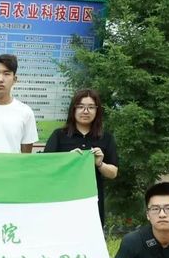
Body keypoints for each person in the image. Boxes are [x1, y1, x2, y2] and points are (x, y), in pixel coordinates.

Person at [43, 89, 118, 227]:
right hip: (62, 199)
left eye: (91, 107)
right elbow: (46, 167)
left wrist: (100, 164)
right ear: (73, 109)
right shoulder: (59, 135)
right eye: (81, 106)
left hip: (92, 200)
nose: (85, 111)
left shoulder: (106, 138)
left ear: (97, 111)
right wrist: (68, 159)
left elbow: (113, 173)